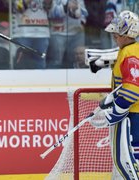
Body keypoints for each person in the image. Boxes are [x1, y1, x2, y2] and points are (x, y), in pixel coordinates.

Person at [90, 10, 139, 179]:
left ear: (127, 35)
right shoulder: (131, 50)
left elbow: (133, 90)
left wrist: (115, 112)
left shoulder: (129, 53)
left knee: (128, 160)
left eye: (117, 34)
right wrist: (101, 61)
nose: (114, 37)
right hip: (134, 115)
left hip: (133, 116)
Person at [47, 0, 88, 69]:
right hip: (58, 33)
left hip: (77, 33)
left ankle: (77, 79)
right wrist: (66, 7)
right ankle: (55, 79)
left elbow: (85, 13)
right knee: (56, 62)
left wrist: (81, 19)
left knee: (78, 61)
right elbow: (50, 13)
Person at [12, 0, 52, 69]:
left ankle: (39, 79)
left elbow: (49, 9)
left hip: (42, 33)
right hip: (23, 33)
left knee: (40, 62)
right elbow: (19, 8)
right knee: (22, 62)